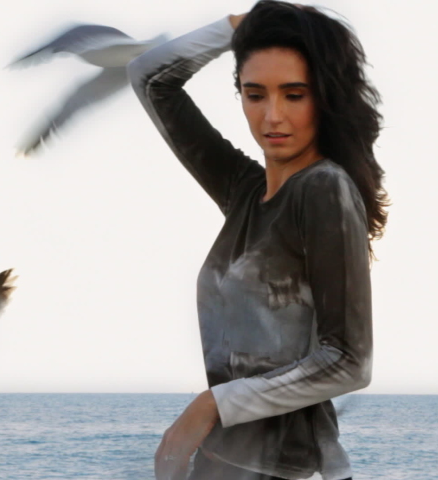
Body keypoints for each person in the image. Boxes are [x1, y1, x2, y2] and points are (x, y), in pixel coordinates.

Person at [127, 1, 387, 479]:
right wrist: (236, 28)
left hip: (287, 469)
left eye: (294, 94)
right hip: (222, 461)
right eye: (254, 94)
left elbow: (351, 362)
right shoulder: (245, 192)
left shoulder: (324, 190)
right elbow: (149, 77)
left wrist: (210, 405)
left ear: (325, 97)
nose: (272, 117)